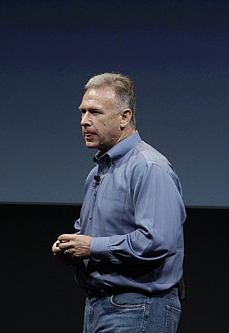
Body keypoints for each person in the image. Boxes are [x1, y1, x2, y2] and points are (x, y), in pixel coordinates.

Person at [52, 73, 185, 333]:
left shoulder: (149, 167)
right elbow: (90, 233)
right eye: (82, 112)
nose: (84, 121)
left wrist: (92, 247)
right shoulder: (97, 173)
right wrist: (71, 248)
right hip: (98, 305)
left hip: (139, 307)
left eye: (94, 112)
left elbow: (156, 241)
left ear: (124, 117)